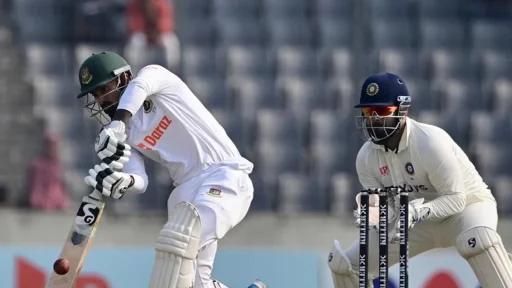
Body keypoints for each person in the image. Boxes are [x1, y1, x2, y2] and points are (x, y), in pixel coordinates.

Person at [75, 51, 265, 288]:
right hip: (185, 192)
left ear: (123, 79)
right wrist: (124, 181)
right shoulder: (127, 134)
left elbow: (141, 86)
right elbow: (140, 179)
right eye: (95, 94)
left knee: (178, 246)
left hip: (223, 174)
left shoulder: (155, 77)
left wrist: (117, 124)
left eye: (104, 90)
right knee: (193, 282)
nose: (101, 100)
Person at [327, 72, 512, 288]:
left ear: (403, 110)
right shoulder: (366, 158)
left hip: (466, 210)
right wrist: (375, 214)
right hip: (413, 223)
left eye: (382, 111)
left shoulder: (430, 142)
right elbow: (389, 213)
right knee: (347, 265)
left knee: (478, 241)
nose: (374, 119)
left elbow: (456, 199)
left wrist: (419, 211)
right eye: (369, 112)